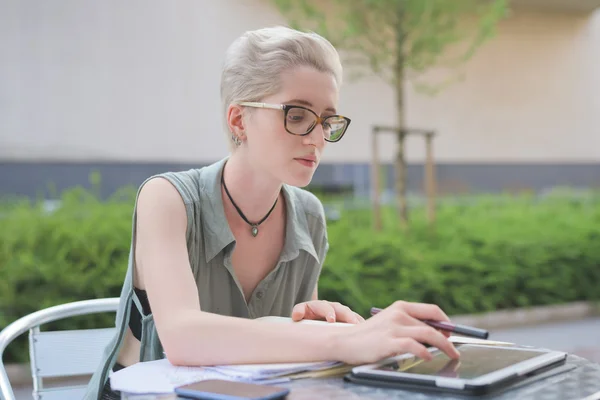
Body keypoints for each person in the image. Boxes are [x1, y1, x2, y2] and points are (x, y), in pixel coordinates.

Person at [86, 26, 460, 400]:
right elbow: (184, 337)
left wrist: (317, 322)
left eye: (326, 121)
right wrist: (343, 339)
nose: (316, 138)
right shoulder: (167, 199)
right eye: (297, 116)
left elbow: (293, 350)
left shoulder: (308, 215)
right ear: (238, 121)